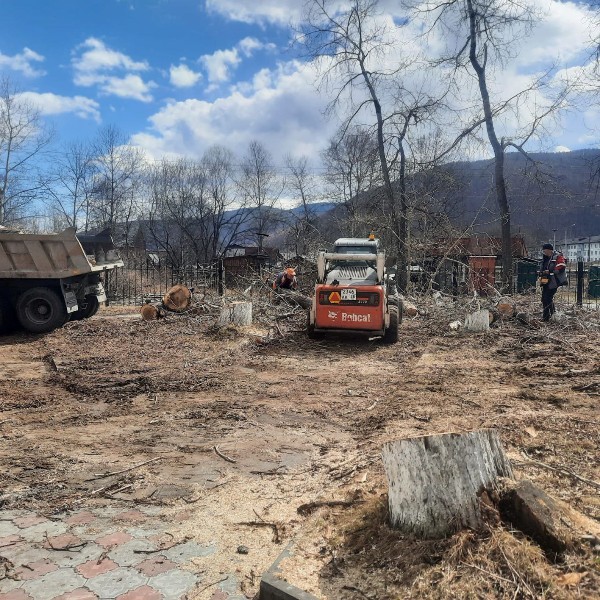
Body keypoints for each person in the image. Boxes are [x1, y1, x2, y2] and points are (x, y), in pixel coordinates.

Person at [538, 243, 566, 322]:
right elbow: (543, 268)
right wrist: (541, 273)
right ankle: (546, 317)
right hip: (545, 280)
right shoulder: (545, 258)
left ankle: (553, 315)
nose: (544, 252)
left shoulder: (557, 257)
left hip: (554, 281)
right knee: (544, 299)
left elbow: (561, 268)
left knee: (548, 297)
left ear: (549, 250)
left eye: (544, 250)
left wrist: (550, 271)